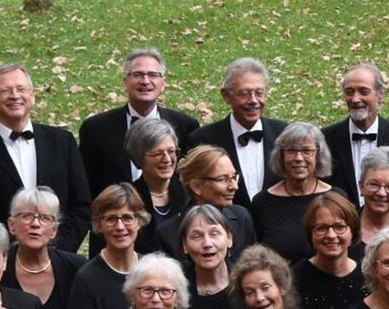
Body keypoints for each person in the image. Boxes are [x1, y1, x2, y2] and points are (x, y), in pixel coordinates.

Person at [0, 63, 91, 252]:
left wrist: (59, 251)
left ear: (32, 95)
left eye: (21, 89)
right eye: (5, 90)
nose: (15, 95)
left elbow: (81, 205)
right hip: (1, 263)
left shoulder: (62, 142)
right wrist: (5, 257)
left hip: (58, 259)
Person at [77, 47, 201, 201]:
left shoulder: (186, 126)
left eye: (153, 75)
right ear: (125, 82)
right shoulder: (95, 128)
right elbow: (86, 185)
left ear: (163, 83)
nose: (145, 81)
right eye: (138, 74)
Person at [184, 57, 287, 206]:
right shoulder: (202, 139)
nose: (253, 100)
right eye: (244, 93)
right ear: (226, 96)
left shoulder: (284, 134)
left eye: (259, 93)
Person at [321, 62, 389, 190]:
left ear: (381, 95)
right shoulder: (326, 138)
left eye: (364, 92)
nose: (355, 99)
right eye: (349, 92)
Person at [252, 122, 344, 261]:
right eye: (291, 151)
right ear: (281, 156)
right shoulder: (262, 202)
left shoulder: (337, 197)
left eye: (307, 151)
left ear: (318, 156)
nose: (299, 158)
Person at [0, 187, 87, 309]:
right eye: (27, 216)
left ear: (54, 230)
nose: (35, 224)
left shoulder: (76, 268)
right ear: (11, 225)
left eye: (45, 218)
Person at [155, 145, 258, 263]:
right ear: (196, 186)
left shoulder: (241, 217)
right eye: (222, 179)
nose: (234, 186)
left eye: (234, 177)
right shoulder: (168, 233)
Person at [65, 182, 147, 309]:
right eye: (111, 219)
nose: (120, 227)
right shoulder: (87, 279)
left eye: (127, 218)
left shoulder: (151, 270)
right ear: (98, 225)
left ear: (139, 222)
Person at [290, 192, 365, 309]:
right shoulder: (293, 281)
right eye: (321, 228)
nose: (331, 235)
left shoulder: (369, 279)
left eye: (339, 226)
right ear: (311, 234)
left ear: (352, 232)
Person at [172, 205, 241, 309]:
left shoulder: (245, 283)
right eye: (197, 236)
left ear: (229, 239)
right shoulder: (174, 290)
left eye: (214, 234)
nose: (207, 244)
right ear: (185, 245)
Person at [123, 117, 184, 255]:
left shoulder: (190, 193)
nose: (167, 159)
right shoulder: (127, 199)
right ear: (139, 157)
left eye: (171, 151)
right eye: (158, 153)